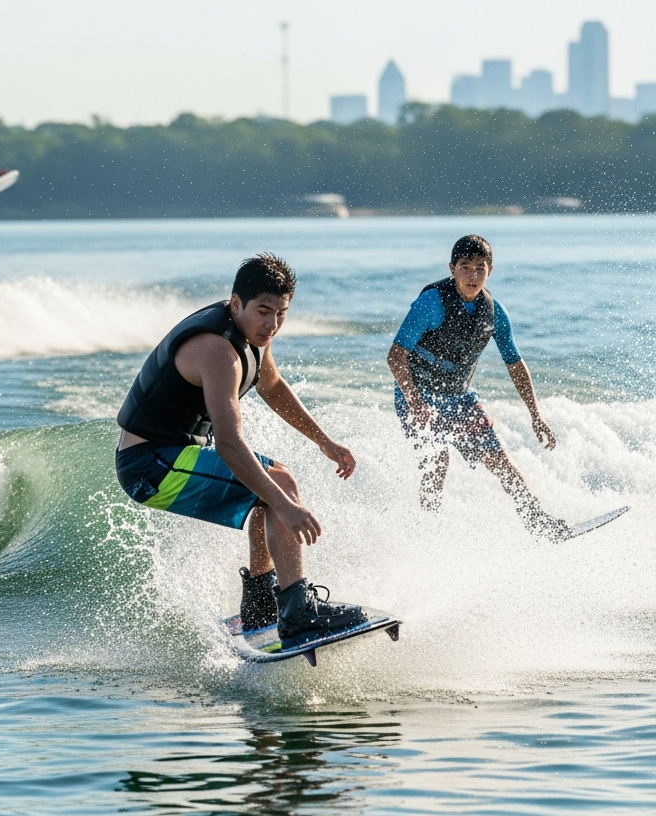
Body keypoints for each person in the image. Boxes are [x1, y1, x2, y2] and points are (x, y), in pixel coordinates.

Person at [115, 253, 365, 649]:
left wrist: (324, 441)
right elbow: (230, 444)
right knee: (277, 485)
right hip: (150, 466)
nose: (272, 324)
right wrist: (285, 504)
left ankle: (263, 603)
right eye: (264, 311)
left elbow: (272, 387)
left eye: (281, 313)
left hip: (172, 457)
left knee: (272, 485)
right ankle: (297, 613)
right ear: (236, 304)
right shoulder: (217, 352)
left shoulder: (253, 337)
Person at [387, 234, 570, 540]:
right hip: (415, 395)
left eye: (480, 268)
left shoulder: (494, 312)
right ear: (452, 268)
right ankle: (426, 534)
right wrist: (415, 400)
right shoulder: (431, 303)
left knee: (499, 460)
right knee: (437, 458)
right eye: (465, 267)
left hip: (459, 398)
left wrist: (536, 415)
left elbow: (515, 365)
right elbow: (395, 357)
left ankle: (536, 520)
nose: (473, 276)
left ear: (490, 270)